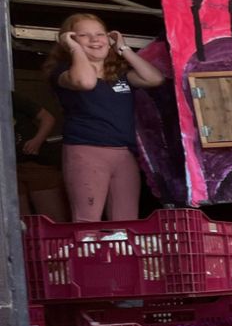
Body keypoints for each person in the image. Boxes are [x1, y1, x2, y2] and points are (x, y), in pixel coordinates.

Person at [44, 13, 164, 222]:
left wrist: (123, 48)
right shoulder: (63, 72)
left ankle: (119, 248)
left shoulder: (118, 74)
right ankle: (87, 248)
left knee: (126, 220)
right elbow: (86, 82)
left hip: (124, 153)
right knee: (87, 220)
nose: (94, 39)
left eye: (100, 34)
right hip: (87, 150)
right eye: (84, 35)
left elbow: (155, 79)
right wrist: (74, 50)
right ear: (70, 39)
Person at [12, 91, 69, 221]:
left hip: (36, 162)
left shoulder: (10, 97)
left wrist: (37, 141)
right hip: (8, 170)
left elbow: (47, 118)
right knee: (19, 221)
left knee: (51, 218)